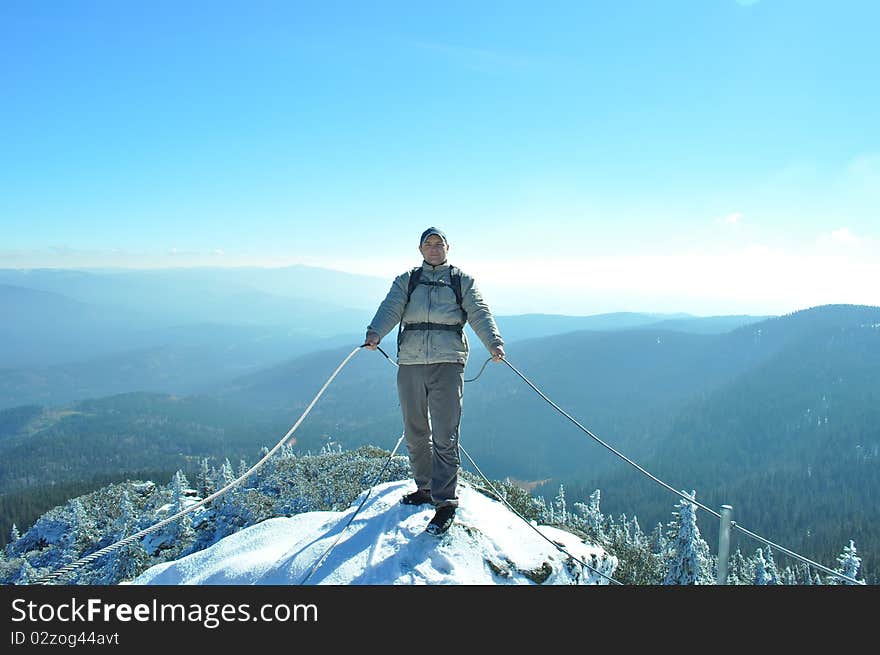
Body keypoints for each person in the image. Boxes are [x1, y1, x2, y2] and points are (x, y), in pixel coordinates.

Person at [365, 227, 505, 535]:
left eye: (438, 243)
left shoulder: (461, 281)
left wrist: (493, 342)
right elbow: (391, 308)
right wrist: (375, 332)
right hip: (411, 362)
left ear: (447, 247)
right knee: (415, 431)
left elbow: (479, 312)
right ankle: (425, 488)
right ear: (420, 249)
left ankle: (445, 503)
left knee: (444, 433)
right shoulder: (407, 280)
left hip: (448, 362)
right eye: (428, 244)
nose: (433, 248)